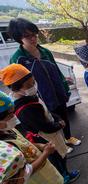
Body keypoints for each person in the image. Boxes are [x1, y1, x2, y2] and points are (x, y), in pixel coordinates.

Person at [0, 64, 80, 184]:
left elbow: (45, 111)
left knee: (59, 153)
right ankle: (64, 176)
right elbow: (45, 127)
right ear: (16, 88)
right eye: (29, 85)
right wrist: (59, 124)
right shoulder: (25, 109)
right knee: (57, 157)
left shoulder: (28, 96)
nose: (33, 86)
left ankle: (64, 173)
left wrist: (57, 118)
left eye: (33, 82)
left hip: (52, 130)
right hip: (46, 136)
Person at [8, 17, 81, 148]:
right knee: (50, 122)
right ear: (19, 38)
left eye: (35, 35)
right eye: (28, 36)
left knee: (63, 117)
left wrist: (65, 88)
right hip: (40, 99)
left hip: (58, 94)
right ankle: (59, 144)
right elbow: (16, 85)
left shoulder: (45, 52)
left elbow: (57, 71)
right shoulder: (18, 58)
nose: (33, 39)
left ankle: (68, 137)